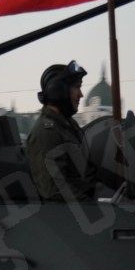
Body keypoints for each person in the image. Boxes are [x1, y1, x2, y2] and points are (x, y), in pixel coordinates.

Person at [22, 61, 97, 203]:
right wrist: (93, 205)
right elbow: (54, 190)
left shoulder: (67, 125)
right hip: (66, 218)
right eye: (76, 87)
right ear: (58, 90)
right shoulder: (46, 132)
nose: (81, 95)